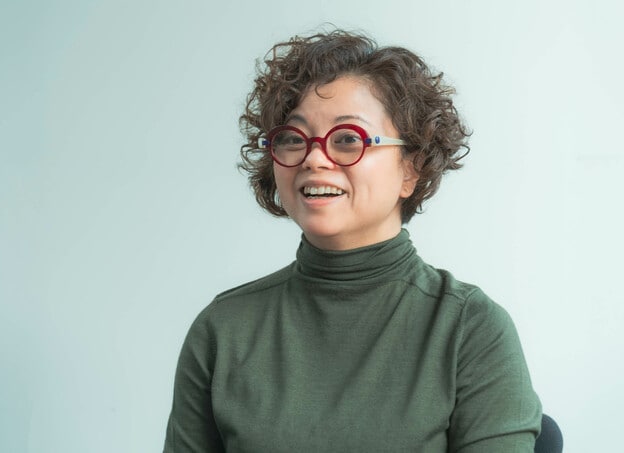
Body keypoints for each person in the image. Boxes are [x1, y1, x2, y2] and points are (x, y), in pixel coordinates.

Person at [163, 29, 542, 452]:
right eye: (293, 139)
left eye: (347, 139)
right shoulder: (222, 328)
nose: (314, 158)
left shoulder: (469, 327)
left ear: (411, 168)